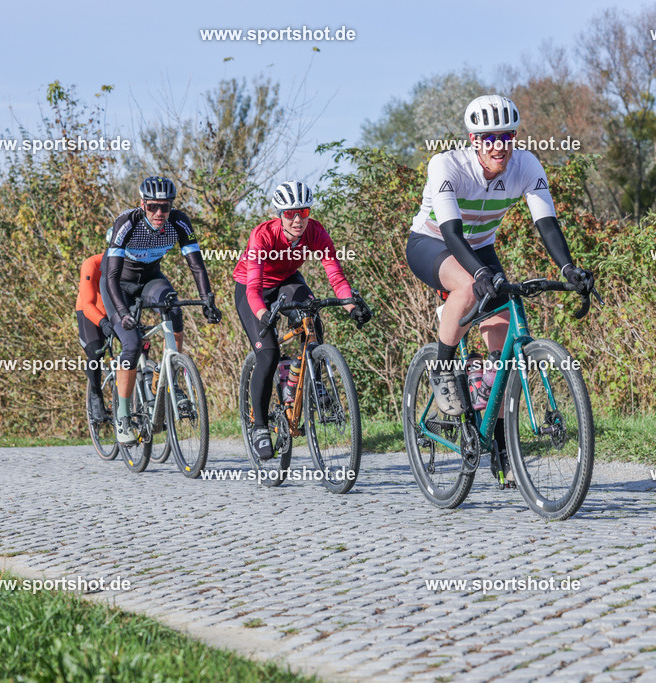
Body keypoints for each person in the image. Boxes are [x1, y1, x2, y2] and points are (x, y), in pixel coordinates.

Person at [405, 94, 594, 480]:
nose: (499, 146)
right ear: (473, 140)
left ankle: (498, 434)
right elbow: (452, 232)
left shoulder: (526, 164)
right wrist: (478, 275)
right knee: (469, 289)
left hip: (480, 247)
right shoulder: (446, 165)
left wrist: (568, 268)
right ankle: (443, 369)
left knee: (502, 338)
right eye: (489, 138)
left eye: (506, 137)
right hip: (433, 242)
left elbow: (546, 223)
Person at [234, 180, 370, 460]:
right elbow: (253, 289)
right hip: (252, 289)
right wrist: (263, 316)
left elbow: (336, 276)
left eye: (303, 213)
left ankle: (313, 382)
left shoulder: (316, 232)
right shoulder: (263, 235)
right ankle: (260, 427)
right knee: (268, 354)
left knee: (311, 314)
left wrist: (351, 306)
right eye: (290, 214)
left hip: (287, 280)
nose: (297, 220)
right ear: (280, 215)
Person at [102, 176, 222, 444]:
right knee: (132, 345)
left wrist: (207, 300)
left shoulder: (179, 222)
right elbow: (111, 276)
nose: (159, 213)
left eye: (165, 207)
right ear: (142, 204)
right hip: (118, 284)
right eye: (153, 206)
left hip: (150, 279)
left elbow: (197, 266)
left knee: (174, 308)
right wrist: (122, 312)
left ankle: (168, 378)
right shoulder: (127, 222)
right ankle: (123, 416)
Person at [76, 227, 115, 423]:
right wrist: (102, 322)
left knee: (140, 343)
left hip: (114, 311)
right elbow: (88, 304)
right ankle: (95, 394)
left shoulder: (130, 265)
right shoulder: (91, 264)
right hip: (89, 312)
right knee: (96, 351)